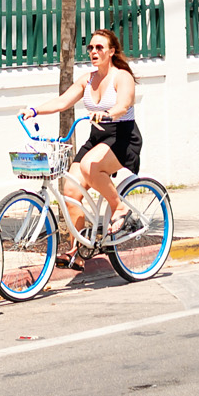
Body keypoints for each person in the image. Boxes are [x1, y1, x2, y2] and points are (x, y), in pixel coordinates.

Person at [26, 28, 143, 261]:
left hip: (122, 137)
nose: (93, 51)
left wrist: (109, 113)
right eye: (90, 47)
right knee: (70, 190)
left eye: (99, 47)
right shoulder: (87, 79)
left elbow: (124, 103)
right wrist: (34, 110)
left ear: (111, 51)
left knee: (90, 166)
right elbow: (62, 101)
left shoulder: (122, 77)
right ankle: (77, 249)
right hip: (97, 139)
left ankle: (119, 207)